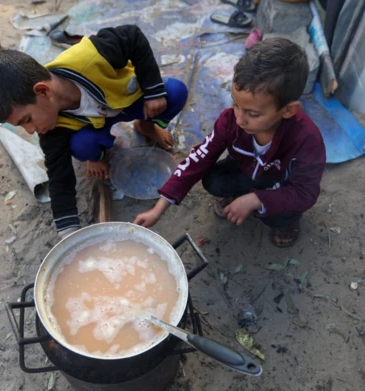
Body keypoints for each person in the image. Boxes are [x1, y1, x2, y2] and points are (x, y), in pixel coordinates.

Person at [0, 25, 188, 238]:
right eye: (22, 126)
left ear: (43, 91)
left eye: (27, 120)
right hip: (95, 124)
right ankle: (97, 156)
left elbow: (132, 36)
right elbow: (59, 177)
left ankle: (145, 126)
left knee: (174, 93)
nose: (31, 130)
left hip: (125, 99)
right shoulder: (50, 130)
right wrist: (68, 232)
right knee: (82, 146)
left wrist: (153, 91)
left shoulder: (92, 56)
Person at [134, 38, 325, 248]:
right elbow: (200, 158)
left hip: (278, 185)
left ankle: (286, 223)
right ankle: (242, 196)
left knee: (279, 214)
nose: (240, 119)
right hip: (246, 171)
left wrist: (257, 199)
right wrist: (158, 208)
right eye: (236, 104)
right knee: (213, 179)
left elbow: (305, 192)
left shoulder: (307, 140)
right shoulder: (230, 120)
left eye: (253, 114)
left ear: (288, 110)